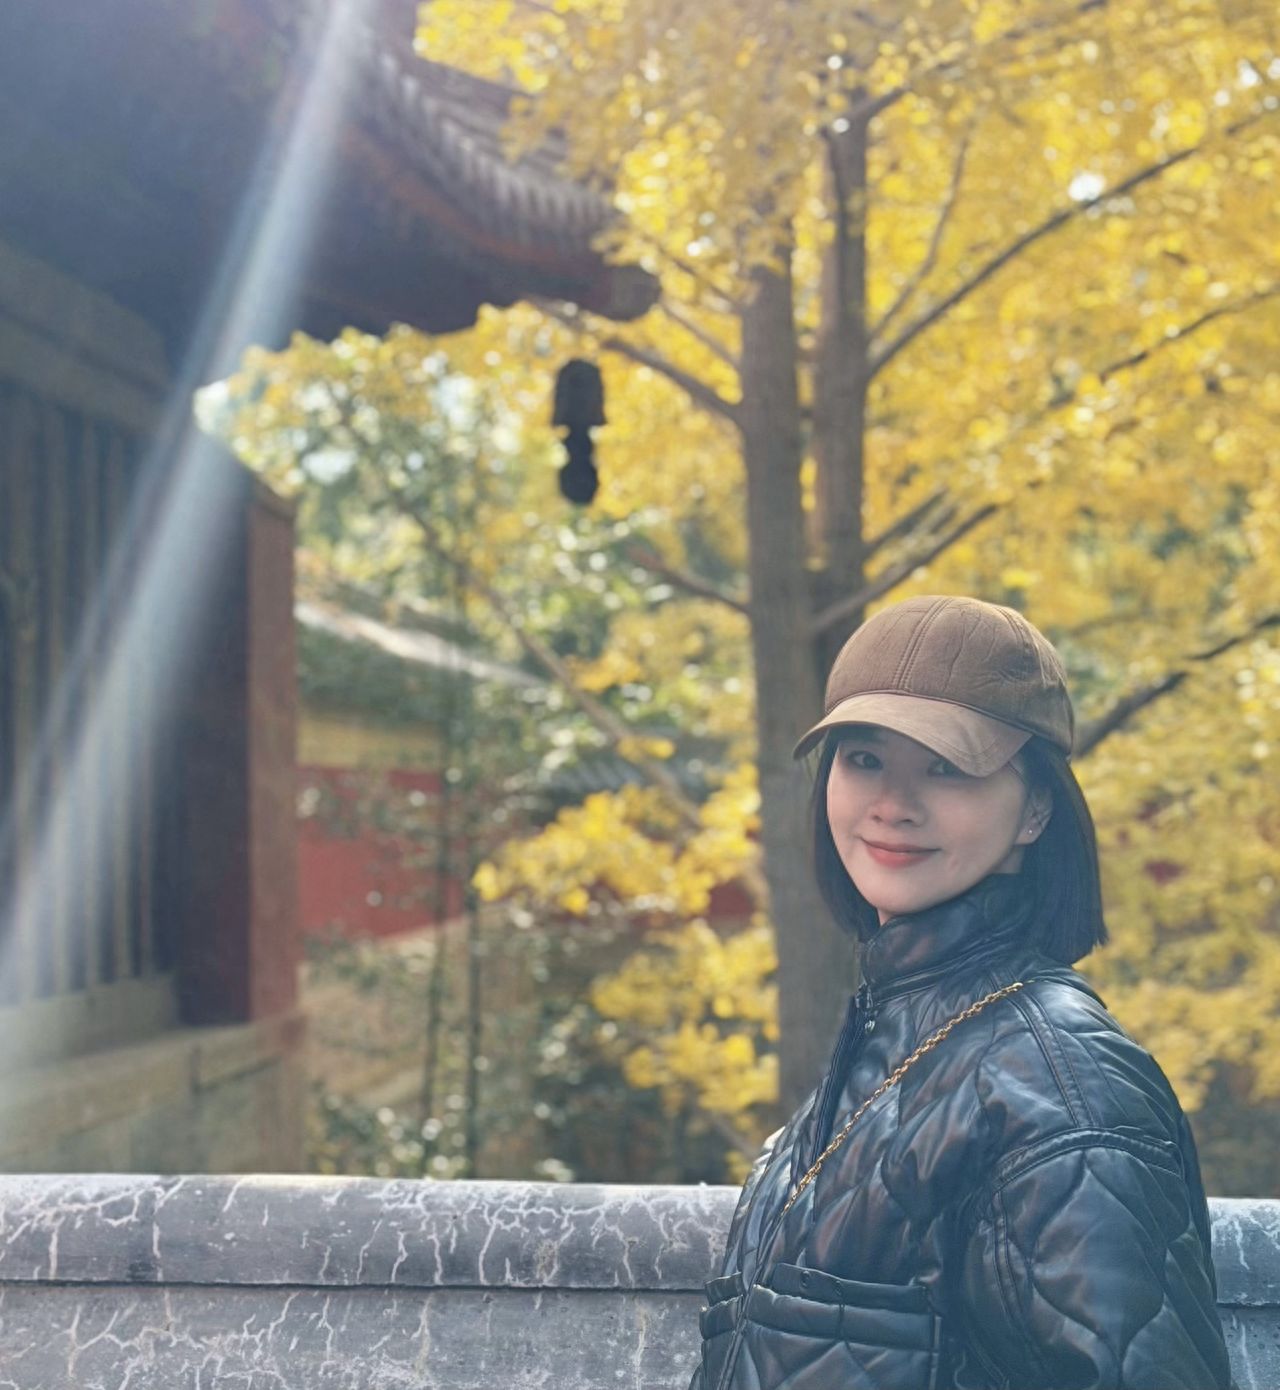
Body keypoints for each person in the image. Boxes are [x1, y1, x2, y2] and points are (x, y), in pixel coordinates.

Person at [690, 595, 1232, 1390]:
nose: (893, 805)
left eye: (946, 767)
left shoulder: (1062, 1084)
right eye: (864, 758)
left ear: (1036, 809)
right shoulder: (898, 1034)